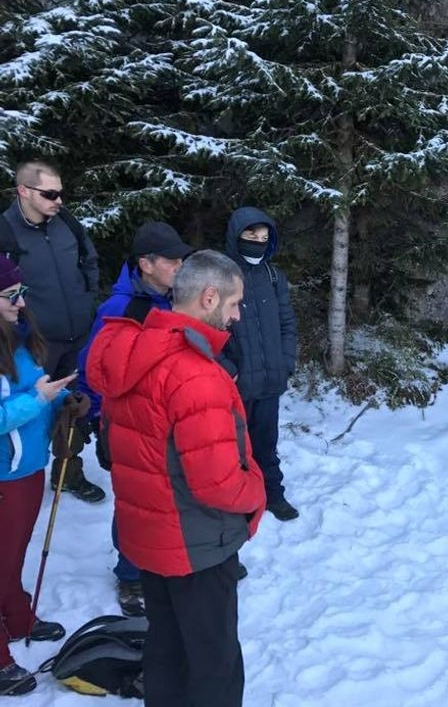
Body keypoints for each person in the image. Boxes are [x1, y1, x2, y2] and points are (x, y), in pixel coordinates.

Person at [86, 250, 266, 707]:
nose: (237, 315)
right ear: (209, 297)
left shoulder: (135, 352)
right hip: (196, 545)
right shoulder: (194, 373)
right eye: (234, 304)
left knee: (166, 648)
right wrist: (256, 494)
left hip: (150, 537)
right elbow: (218, 482)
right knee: (213, 662)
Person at [76, 221, 193, 617]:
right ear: (146, 263)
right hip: (127, 423)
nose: (180, 264)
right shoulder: (120, 308)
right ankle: (129, 575)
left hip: (169, 419)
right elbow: (93, 365)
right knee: (134, 500)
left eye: (182, 257)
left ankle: (168, 559)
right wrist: (93, 414)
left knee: (170, 493)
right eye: (172, 259)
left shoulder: (181, 299)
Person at [0, 255, 85, 695]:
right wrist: (38, 399)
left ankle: (16, 615)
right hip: (3, 472)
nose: (20, 302)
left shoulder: (19, 336)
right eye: (9, 295)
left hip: (26, 468)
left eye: (21, 293)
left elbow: (36, 384)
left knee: (11, 554)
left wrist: (63, 400)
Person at [2, 160, 103, 503]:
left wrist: (86, 299)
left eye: (60, 192)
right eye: (50, 194)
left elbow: (88, 259)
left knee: (71, 411)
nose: (58, 200)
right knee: (31, 409)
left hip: (77, 334)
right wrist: (23, 330)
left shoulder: (66, 223)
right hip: (36, 344)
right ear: (24, 191)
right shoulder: (5, 232)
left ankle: (68, 475)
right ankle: (20, 481)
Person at [220, 207, 298, 521]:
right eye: (251, 235)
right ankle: (239, 502)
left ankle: (272, 494)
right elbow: (208, 329)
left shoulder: (273, 276)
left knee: (266, 444)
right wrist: (228, 371)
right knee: (234, 448)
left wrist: (285, 362)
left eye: (264, 237)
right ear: (236, 236)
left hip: (269, 382)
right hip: (236, 386)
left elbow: (287, 324)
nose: (258, 242)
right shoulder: (221, 277)